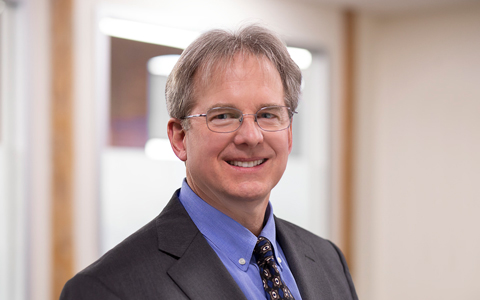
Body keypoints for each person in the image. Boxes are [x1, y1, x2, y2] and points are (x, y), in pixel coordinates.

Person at [60, 24, 358, 300]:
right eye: (224, 116)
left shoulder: (328, 260)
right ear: (179, 138)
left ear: (289, 134)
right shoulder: (107, 289)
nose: (251, 136)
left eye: (268, 114)